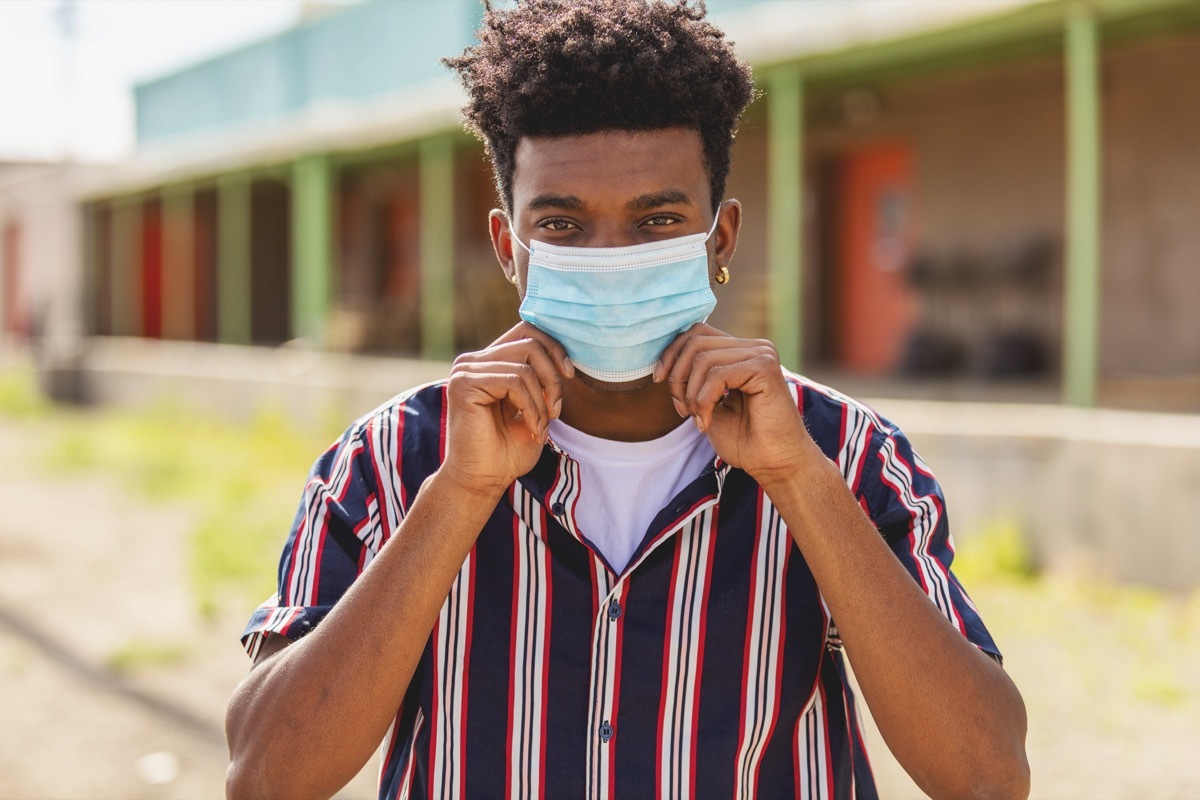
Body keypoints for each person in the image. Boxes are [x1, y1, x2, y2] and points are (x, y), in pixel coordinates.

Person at [224, 1, 1029, 798]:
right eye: (565, 226)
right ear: (512, 248)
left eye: (656, 220)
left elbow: (986, 776)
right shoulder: (393, 458)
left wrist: (800, 482)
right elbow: (265, 778)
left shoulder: (846, 452)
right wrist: (457, 496)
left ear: (719, 241)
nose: (611, 257)